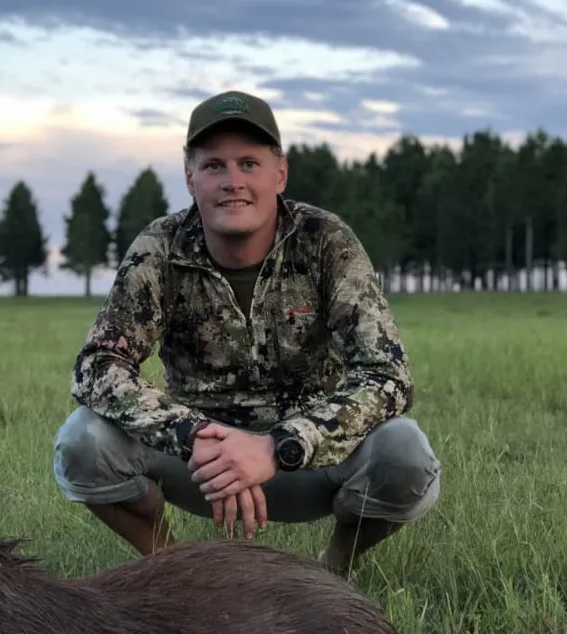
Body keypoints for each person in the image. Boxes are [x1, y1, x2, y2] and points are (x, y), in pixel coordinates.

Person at [52, 89, 441, 572]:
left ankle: (334, 569)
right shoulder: (159, 247)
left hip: (308, 458)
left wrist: (280, 445)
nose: (232, 181)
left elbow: (388, 377)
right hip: (200, 461)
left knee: (405, 453)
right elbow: (97, 366)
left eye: (248, 164)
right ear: (190, 177)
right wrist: (192, 434)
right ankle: (176, 574)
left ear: (280, 173)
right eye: (214, 165)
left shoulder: (326, 242)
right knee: (82, 442)